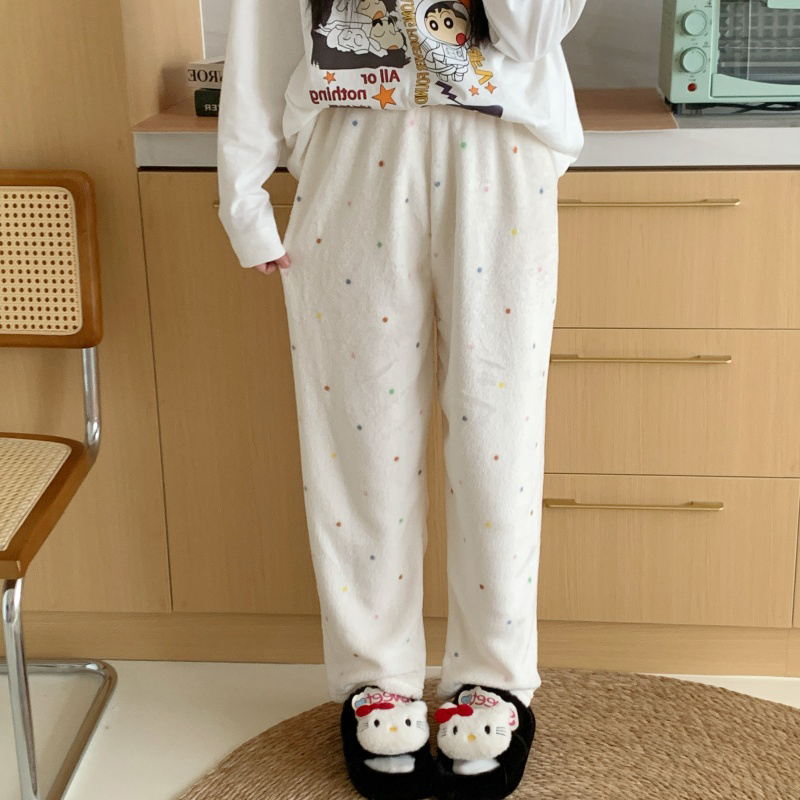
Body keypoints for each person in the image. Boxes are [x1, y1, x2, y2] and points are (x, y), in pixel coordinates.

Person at [216, 1, 587, 797]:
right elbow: (262, 24)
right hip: (351, 147)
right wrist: (243, 196)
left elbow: (530, 32)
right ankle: (375, 675)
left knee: (499, 439)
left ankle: (494, 677)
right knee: (359, 439)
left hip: (500, 150)